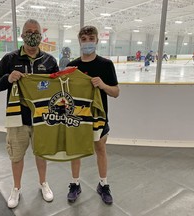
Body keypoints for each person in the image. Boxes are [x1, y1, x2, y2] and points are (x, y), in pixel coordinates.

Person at [0, 19, 59, 208]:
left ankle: (43, 183)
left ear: (41, 35)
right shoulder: (9, 59)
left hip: (42, 118)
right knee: (16, 155)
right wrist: (7, 78)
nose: (32, 34)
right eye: (28, 31)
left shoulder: (50, 61)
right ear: (22, 35)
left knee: (41, 153)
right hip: (17, 118)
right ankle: (16, 188)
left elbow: (58, 88)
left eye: (36, 31)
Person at [66, 26, 119, 205]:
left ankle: (103, 185)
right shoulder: (71, 66)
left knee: (101, 149)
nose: (87, 41)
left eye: (91, 38)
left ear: (96, 40)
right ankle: (75, 184)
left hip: (99, 117)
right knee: (76, 151)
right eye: (84, 38)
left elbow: (116, 92)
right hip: (78, 117)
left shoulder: (105, 65)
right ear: (79, 41)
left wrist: (103, 85)